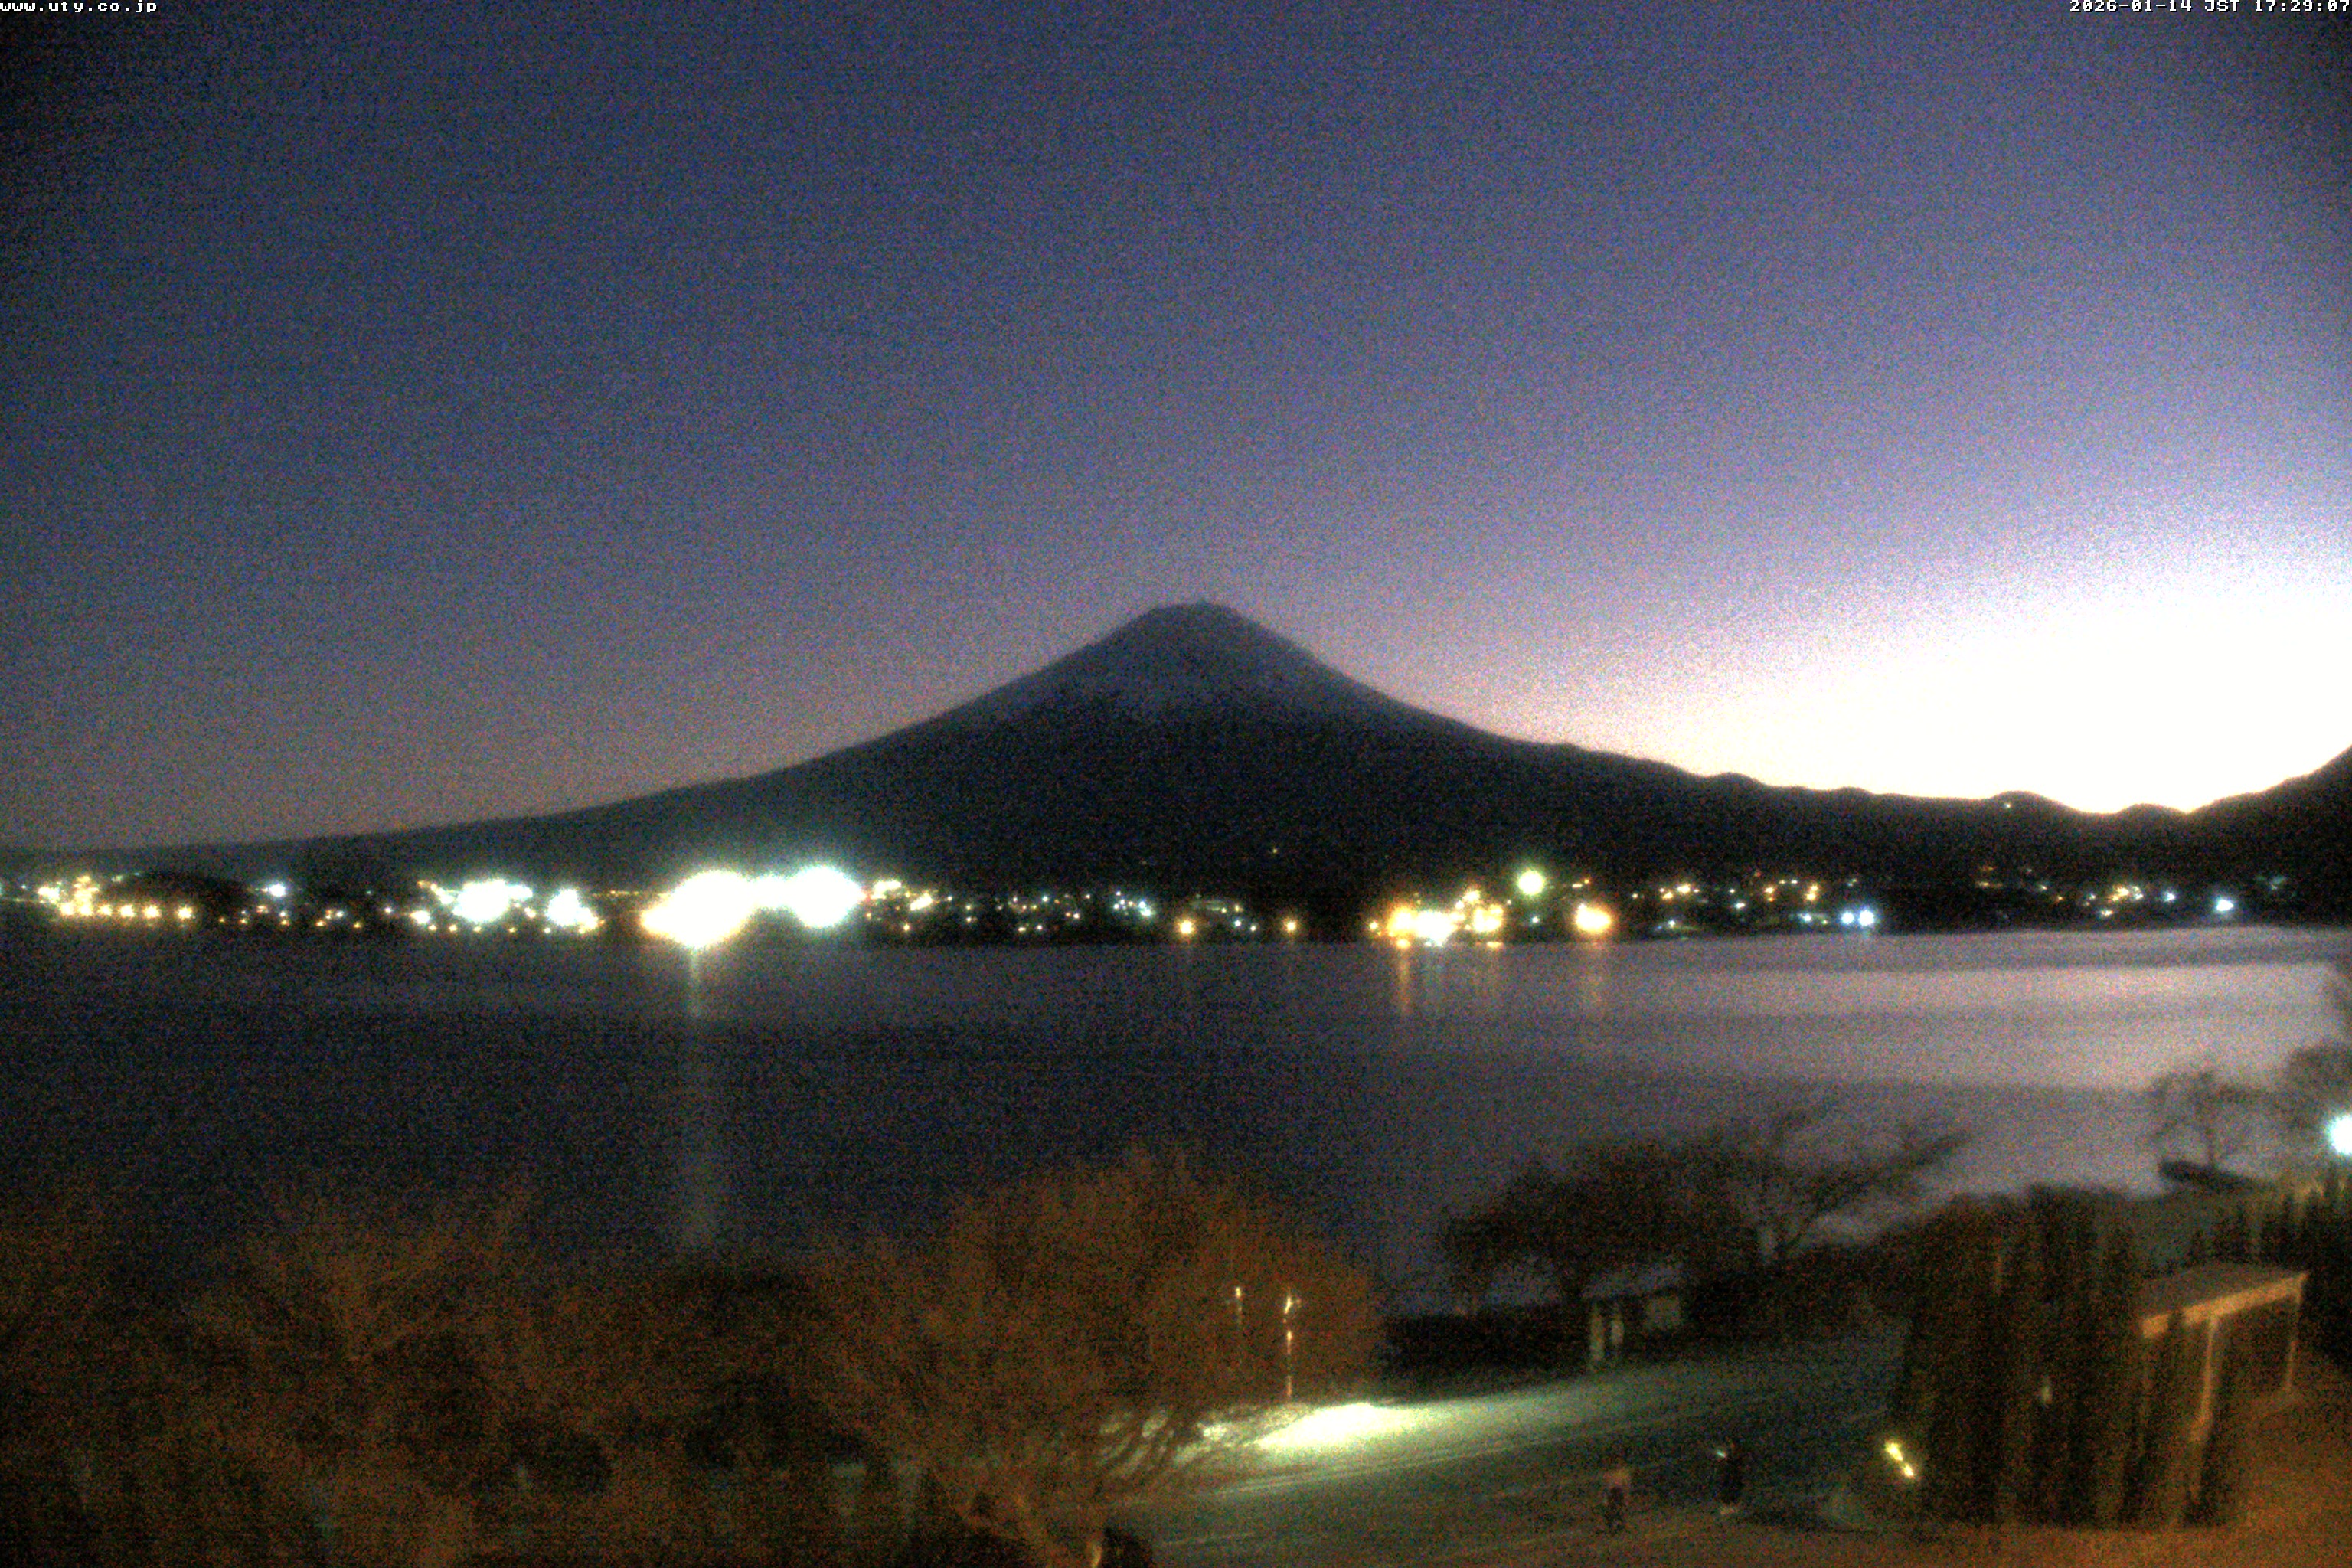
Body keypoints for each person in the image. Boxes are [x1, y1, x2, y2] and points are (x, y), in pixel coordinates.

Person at [1600, 1454, 1633, 1534]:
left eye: (1618, 1462)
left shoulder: (1623, 1473)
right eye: (1615, 1462)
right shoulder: (1608, 1475)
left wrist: (1626, 1496)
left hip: (1620, 1493)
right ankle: (1611, 1526)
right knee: (1611, 1510)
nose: (1616, 1465)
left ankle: (1622, 1525)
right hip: (1612, 1494)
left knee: (1622, 1510)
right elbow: (1606, 1487)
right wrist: (1605, 1498)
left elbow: (1626, 1485)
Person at [1715, 1436, 1747, 1516]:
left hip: (1735, 1475)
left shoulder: (1739, 1454)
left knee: (1734, 1490)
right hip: (1728, 1475)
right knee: (1727, 1490)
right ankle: (1728, 1507)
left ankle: (1733, 1508)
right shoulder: (1728, 1452)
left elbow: (1739, 1463)